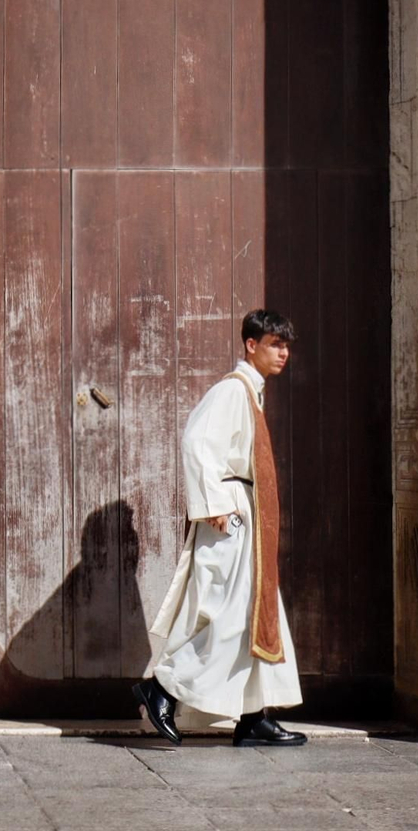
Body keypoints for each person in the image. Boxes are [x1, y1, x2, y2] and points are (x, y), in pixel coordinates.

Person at [133, 309, 307, 746]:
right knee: (231, 617)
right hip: (231, 515)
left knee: (255, 617)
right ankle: (163, 687)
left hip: (245, 515)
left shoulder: (252, 391)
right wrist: (212, 505)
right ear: (251, 345)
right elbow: (197, 441)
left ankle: (253, 716)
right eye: (274, 344)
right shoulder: (232, 391)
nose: (283, 353)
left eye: (286, 345)